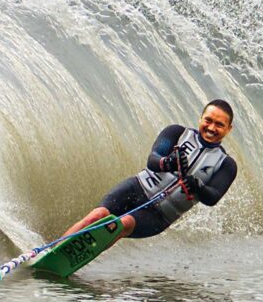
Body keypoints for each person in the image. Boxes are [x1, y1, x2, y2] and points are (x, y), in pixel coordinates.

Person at [63, 99, 238, 245]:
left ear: (229, 128)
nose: (211, 128)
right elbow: (153, 159)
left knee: (121, 225)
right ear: (200, 118)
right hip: (136, 188)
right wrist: (167, 163)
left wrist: (196, 185)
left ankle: (76, 258)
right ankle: (54, 248)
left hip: (160, 215)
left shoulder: (226, 165)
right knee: (98, 215)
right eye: (208, 120)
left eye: (219, 124)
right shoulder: (177, 133)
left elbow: (212, 197)